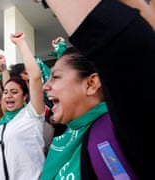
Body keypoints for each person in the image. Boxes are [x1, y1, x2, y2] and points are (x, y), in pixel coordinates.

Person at [35, 0, 155, 178]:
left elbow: (129, 47)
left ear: (91, 84)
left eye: (56, 76)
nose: (45, 86)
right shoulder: (63, 137)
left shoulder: (123, 129)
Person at [0, 32, 45, 179]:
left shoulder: (32, 114)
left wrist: (21, 43)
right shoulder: (5, 120)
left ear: (25, 96)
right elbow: (7, 86)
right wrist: (3, 67)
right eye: (6, 93)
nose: (8, 95)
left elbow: (35, 77)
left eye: (15, 92)